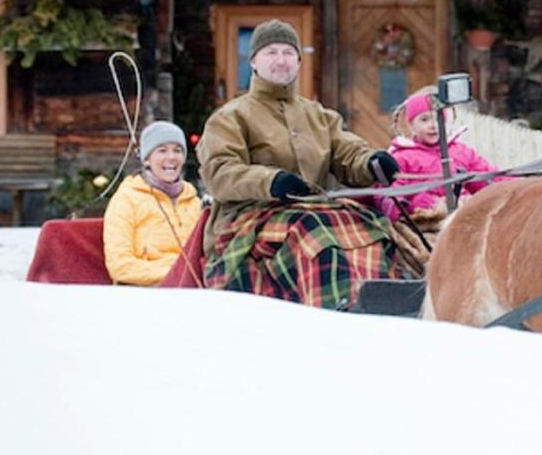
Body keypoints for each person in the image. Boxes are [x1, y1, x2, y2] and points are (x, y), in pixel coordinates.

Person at [195, 19, 411, 309]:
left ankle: (383, 300)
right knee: (313, 230)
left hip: (311, 210)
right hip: (248, 219)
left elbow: (346, 151)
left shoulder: (318, 115)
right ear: (254, 61)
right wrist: (270, 182)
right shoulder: (230, 117)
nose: (280, 60)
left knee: (370, 223)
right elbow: (219, 172)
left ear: (298, 61)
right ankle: (336, 304)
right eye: (271, 52)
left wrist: (371, 162)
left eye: (288, 52)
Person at [375, 89, 501, 223]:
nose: (433, 125)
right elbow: (391, 193)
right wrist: (405, 206)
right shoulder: (403, 157)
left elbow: (488, 178)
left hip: (464, 216)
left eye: (438, 118)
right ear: (411, 125)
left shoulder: (460, 151)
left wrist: (516, 184)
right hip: (425, 221)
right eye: (424, 119)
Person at [103, 121, 203, 286]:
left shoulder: (193, 201)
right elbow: (119, 265)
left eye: (177, 150)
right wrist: (177, 272)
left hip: (192, 287)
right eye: (162, 150)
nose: (171, 157)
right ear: (147, 159)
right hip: (145, 292)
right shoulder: (127, 199)